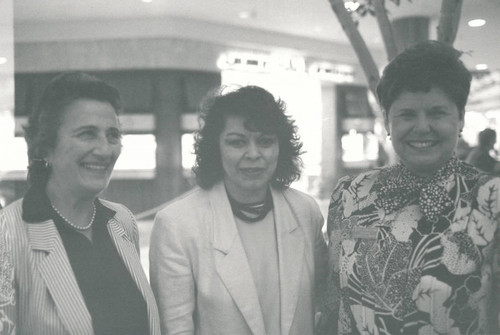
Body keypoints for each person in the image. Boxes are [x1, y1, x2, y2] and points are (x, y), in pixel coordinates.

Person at [317, 41, 500, 335]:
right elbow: (333, 301)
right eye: (407, 114)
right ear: (388, 122)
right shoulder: (350, 194)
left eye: (437, 113)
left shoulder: (491, 198)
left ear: (461, 118)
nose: (422, 127)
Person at [150, 85, 328, 335]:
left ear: (281, 147)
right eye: (237, 142)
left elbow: (325, 301)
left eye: (265, 142)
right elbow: (175, 328)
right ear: (216, 148)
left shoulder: (304, 210)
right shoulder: (177, 224)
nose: (253, 154)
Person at [0, 72, 160, 334]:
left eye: (112, 135)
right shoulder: (7, 236)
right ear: (46, 145)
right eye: (87, 134)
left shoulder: (121, 222)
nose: (105, 149)